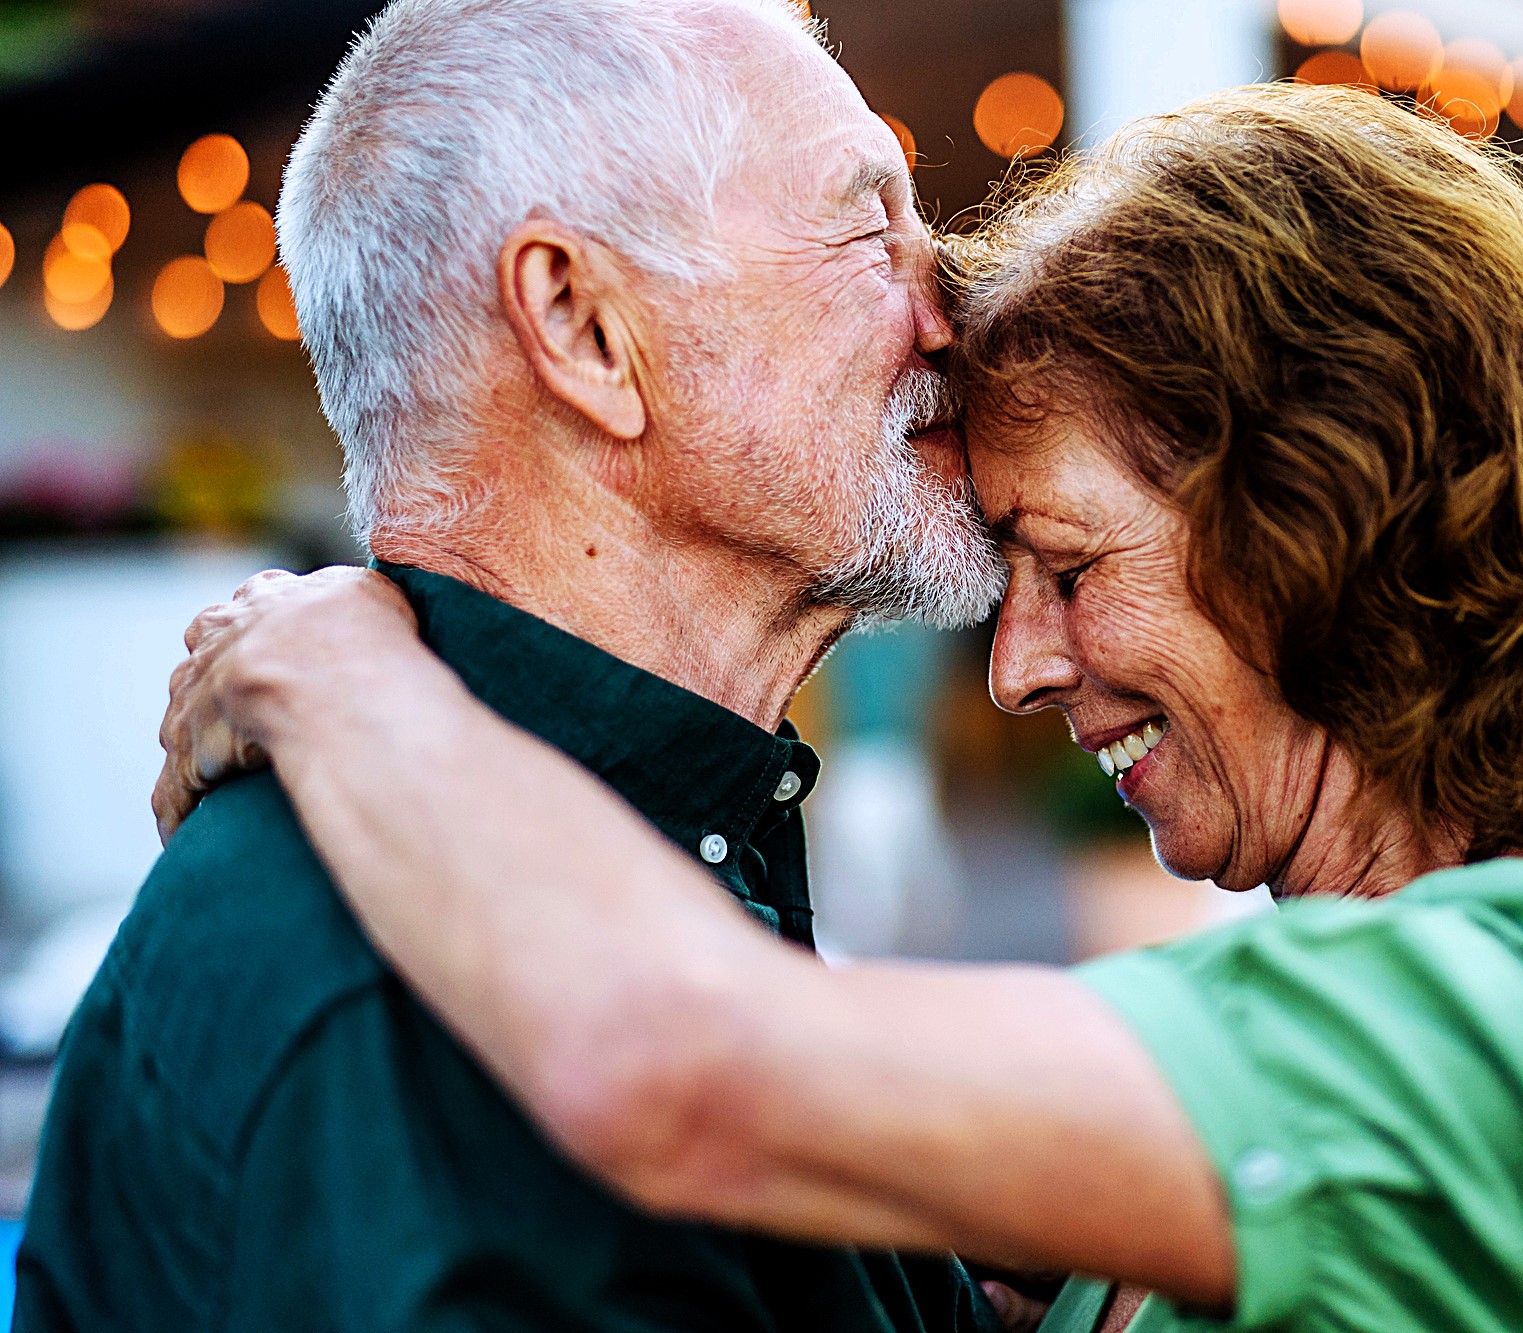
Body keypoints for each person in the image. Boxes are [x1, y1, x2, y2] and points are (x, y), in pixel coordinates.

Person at [153, 85, 1523, 1333]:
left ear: (1331, 522)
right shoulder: (1372, 999)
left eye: (1069, 565)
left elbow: (671, 1062)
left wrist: (349, 670)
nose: (1014, 667)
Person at [13, 1, 1009, 1330]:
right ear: (584, 326)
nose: (953, 311)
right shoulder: (403, 990)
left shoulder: (633, 851)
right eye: (867, 225)